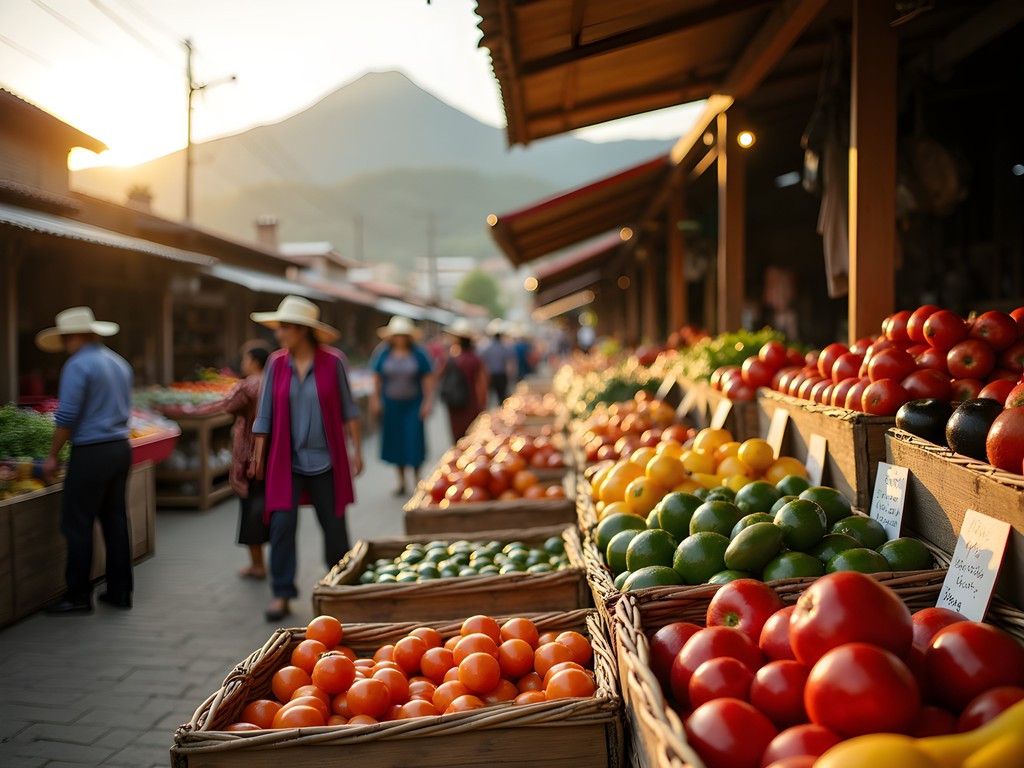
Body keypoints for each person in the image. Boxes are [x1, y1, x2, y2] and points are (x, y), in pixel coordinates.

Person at [249, 296, 364, 622]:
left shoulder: (333, 362)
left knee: (334, 525)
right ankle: (282, 593)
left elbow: (348, 408)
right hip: (288, 461)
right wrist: (259, 456)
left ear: (302, 330)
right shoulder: (276, 363)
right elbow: (265, 414)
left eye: (284, 327)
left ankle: (339, 587)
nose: (279, 333)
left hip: (327, 459)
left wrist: (356, 450)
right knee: (282, 525)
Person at [36, 307, 134, 614]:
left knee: (77, 524)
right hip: (120, 447)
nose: (66, 345)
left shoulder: (78, 365)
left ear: (77, 336)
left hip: (92, 452)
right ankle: (120, 591)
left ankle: (78, 595)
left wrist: (52, 455)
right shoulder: (118, 362)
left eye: (66, 338)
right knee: (115, 519)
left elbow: (67, 416)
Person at [192, 341, 272, 579]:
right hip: (273, 455)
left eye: (246, 359)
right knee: (273, 510)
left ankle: (257, 564)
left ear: (255, 361)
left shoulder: (249, 385)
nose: (243, 363)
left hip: (252, 456)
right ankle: (274, 563)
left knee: (252, 511)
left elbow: (228, 405)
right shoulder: (274, 383)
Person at [369, 316, 435, 497]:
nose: (399, 338)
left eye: (403, 335)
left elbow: (428, 379)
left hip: (413, 404)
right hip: (391, 405)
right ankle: (401, 481)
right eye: (397, 335)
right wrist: (375, 399)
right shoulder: (383, 352)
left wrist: (427, 402)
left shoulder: (419, 354)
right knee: (396, 442)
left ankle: (417, 479)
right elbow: (377, 376)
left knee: (413, 440)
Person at [438, 319, 488, 443]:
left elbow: (438, 374)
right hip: (471, 402)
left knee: (457, 433)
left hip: (455, 401)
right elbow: (482, 383)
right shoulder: (475, 359)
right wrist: (482, 403)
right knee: (471, 433)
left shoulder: (450, 357)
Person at [479, 319, 517, 405]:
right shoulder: (505, 348)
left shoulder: (485, 348)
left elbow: (482, 364)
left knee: (490, 398)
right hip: (501, 375)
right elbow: (510, 364)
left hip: (490, 375)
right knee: (502, 397)